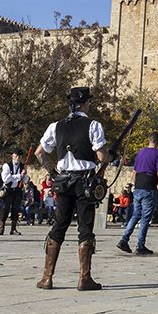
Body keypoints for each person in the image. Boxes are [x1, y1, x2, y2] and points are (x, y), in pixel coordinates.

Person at [34, 86, 109, 291]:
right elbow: (101, 156)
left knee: (59, 226)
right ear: (85, 104)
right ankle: (84, 278)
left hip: (63, 181)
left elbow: (40, 153)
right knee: (85, 228)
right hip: (85, 183)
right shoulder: (93, 125)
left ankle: (47, 277)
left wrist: (53, 173)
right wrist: (107, 158)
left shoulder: (55, 126)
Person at [118, 131, 158, 255]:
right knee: (145, 218)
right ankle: (140, 246)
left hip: (138, 186)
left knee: (136, 215)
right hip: (149, 188)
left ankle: (124, 239)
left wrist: (134, 186)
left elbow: (134, 172)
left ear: (148, 140)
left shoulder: (140, 153)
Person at [0, 151, 26, 236]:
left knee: (15, 209)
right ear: (13, 156)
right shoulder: (7, 166)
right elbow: (6, 179)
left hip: (17, 190)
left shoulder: (22, 166)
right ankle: (1, 228)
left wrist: (24, 176)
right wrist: (19, 176)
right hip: (8, 190)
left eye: (19, 156)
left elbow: (25, 179)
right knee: (5, 208)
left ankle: (13, 229)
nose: (17, 157)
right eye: (16, 155)